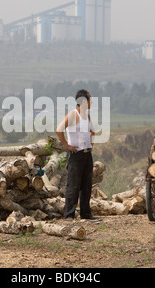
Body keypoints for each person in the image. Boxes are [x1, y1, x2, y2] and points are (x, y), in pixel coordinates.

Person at [56, 89, 98, 220]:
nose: (92, 102)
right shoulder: (73, 115)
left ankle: (86, 214)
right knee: (73, 185)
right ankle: (69, 214)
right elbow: (59, 130)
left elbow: (92, 131)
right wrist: (67, 146)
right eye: (90, 99)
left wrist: (91, 143)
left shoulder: (87, 116)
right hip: (75, 154)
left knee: (86, 185)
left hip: (86, 154)